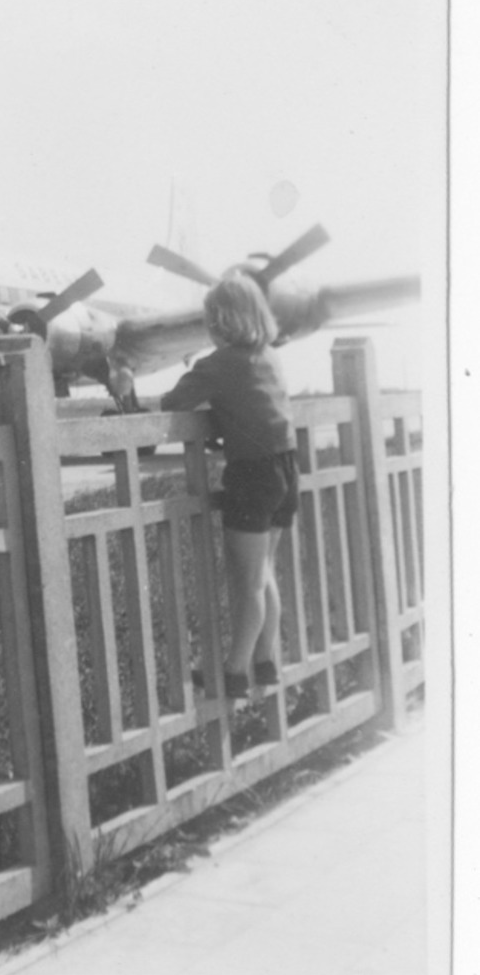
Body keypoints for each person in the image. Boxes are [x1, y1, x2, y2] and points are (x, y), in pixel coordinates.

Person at [161, 272, 299, 701]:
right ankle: (266, 662)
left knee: (248, 581)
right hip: (287, 470)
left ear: (219, 321)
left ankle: (234, 672)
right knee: (265, 573)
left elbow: (172, 402)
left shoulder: (217, 364)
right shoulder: (271, 356)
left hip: (253, 475)